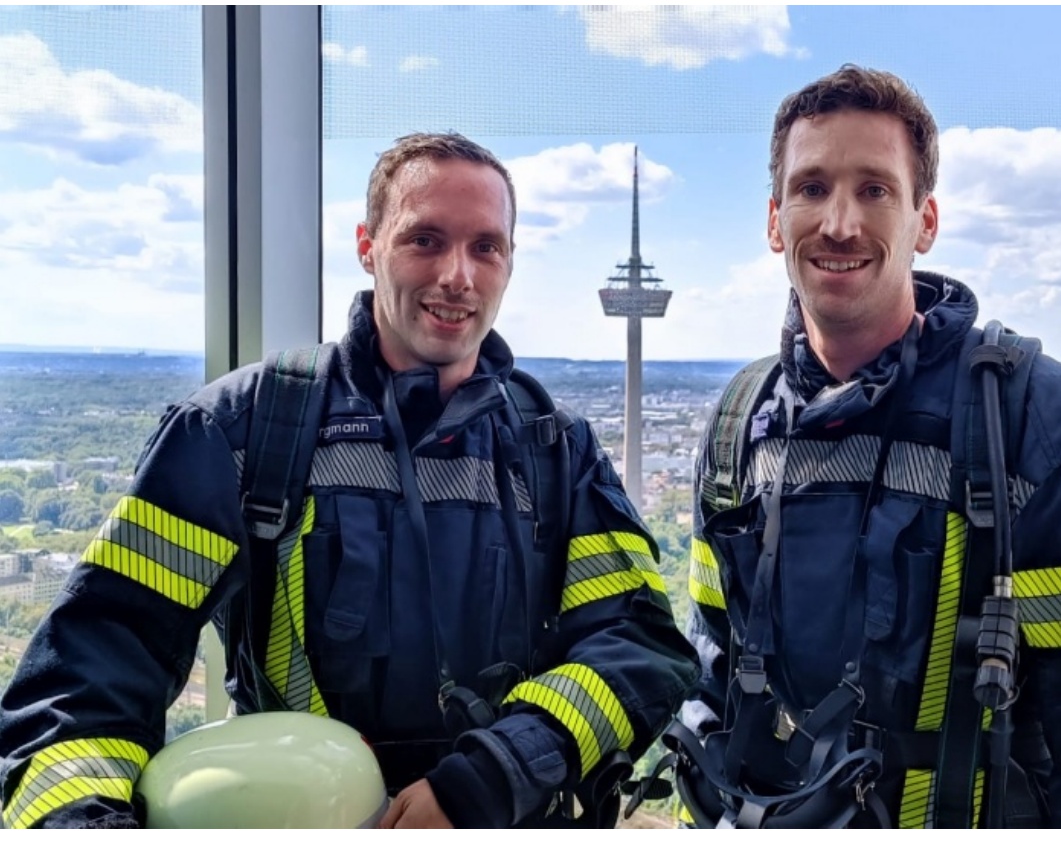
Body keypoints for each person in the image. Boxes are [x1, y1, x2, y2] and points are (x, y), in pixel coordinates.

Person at [0, 132, 700, 829]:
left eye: (486, 246)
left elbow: (637, 645)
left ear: (509, 263)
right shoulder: (243, 432)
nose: (458, 275)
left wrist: (492, 775)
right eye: (425, 239)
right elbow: (90, 670)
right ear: (368, 246)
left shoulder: (552, 447)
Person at [680, 65, 1061, 828]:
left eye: (875, 190)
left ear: (925, 221)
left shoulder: (1050, 431)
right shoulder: (739, 424)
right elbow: (715, 677)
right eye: (812, 187)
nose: (840, 223)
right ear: (773, 219)